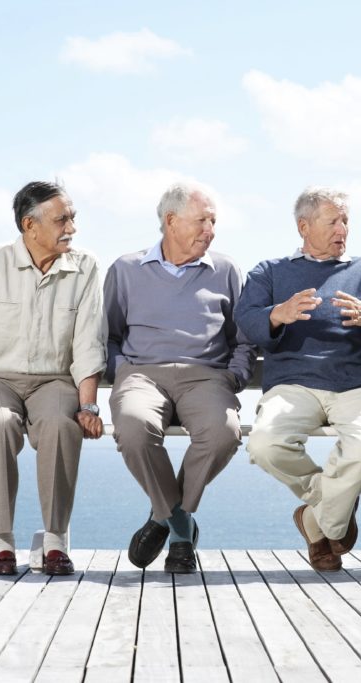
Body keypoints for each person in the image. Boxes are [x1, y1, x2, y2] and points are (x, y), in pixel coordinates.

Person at [234, 187, 361, 572]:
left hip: (359, 383)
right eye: (333, 220)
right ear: (304, 226)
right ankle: (335, 503)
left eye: (346, 220)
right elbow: (246, 319)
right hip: (294, 383)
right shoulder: (270, 271)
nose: (342, 228)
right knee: (264, 444)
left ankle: (316, 522)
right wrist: (277, 314)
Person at [0, 181, 106, 577]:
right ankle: (2, 544)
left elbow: (88, 343)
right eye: (62, 219)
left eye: (73, 217)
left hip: (55, 382)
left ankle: (54, 541)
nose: (71, 227)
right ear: (28, 226)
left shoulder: (85, 266)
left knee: (57, 426)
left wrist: (87, 407)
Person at [104, 182, 255, 574]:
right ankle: (182, 530)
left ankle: (163, 518)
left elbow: (243, 338)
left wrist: (235, 376)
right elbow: (110, 335)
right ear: (171, 221)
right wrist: (122, 371)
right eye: (202, 220)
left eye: (214, 221)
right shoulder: (125, 269)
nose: (211, 229)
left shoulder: (225, 270)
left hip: (205, 377)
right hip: (141, 376)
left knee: (224, 433)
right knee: (134, 429)